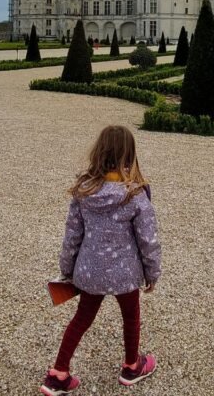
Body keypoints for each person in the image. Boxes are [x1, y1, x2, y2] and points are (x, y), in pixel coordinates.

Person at [40, 125, 161, 395]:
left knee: (82, 318)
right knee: (131, 316)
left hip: (89, 271)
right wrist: (152, 273)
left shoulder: (84, 192)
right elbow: (148, 240)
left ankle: (58, 373)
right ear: (129, 155)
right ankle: (132, 365)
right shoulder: (135, 195)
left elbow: (72, 236)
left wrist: (67, 269)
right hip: (125, 273)